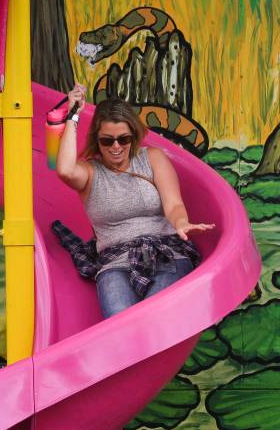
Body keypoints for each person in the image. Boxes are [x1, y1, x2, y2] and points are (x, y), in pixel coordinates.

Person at [52, 83, 214, 318]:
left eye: (123, 139)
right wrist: (73, 115)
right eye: (107, 141)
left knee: (153, 316)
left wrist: (180, 223)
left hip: (165, 253)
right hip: (115, 262)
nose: (116, 147)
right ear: (97, 140)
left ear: (133, 136)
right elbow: (65, 170)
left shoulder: (152, 158)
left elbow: (174, 204)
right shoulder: (90, 172)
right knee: (121, 322)